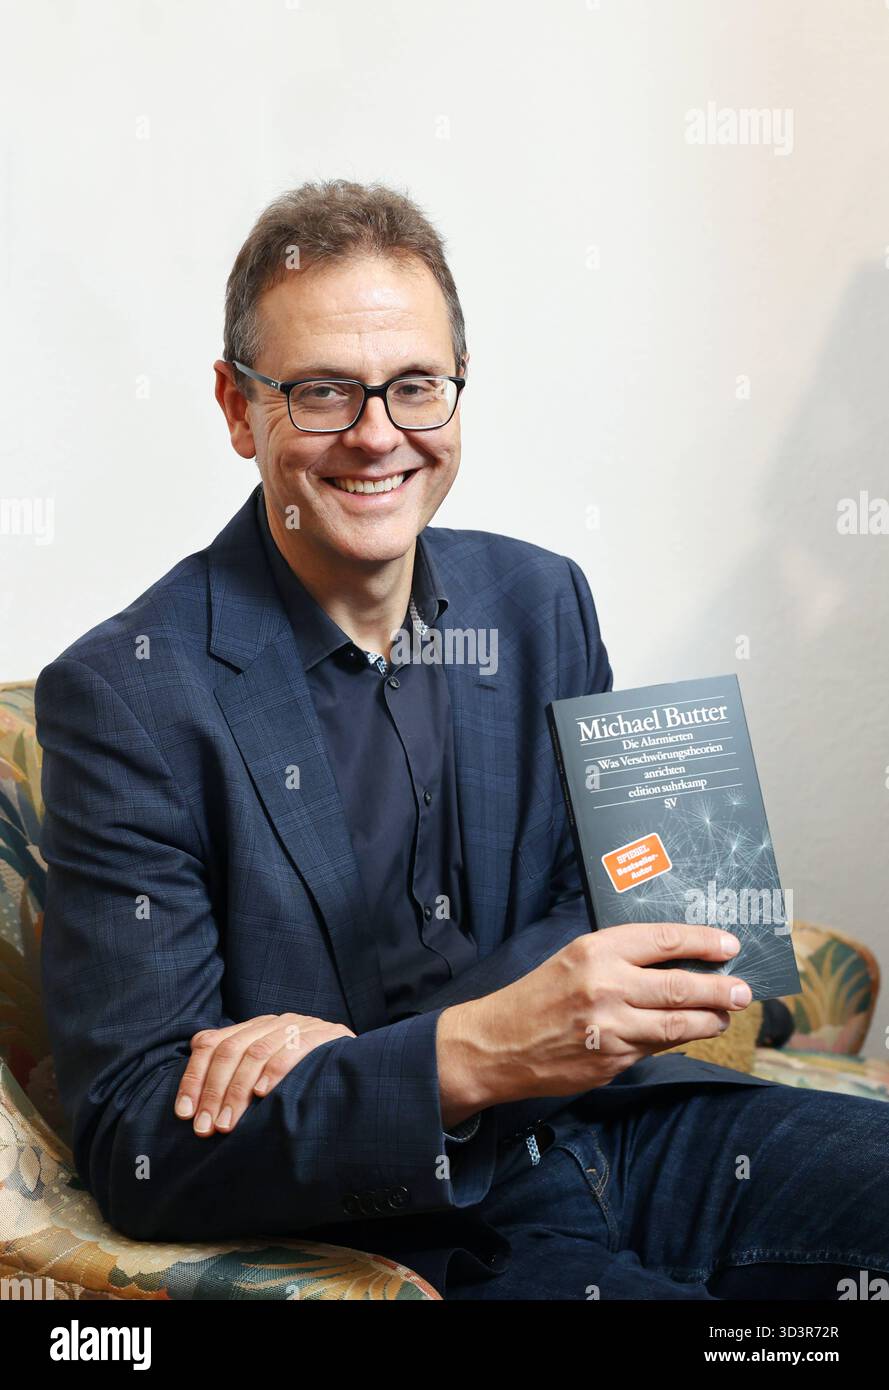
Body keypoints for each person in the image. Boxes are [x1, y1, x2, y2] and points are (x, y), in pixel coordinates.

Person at [36, 179, 889, 1300]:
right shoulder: (126, 694)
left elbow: (659, 922)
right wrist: (459, 1056)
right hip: (417, 1228)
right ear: (238, 407)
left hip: (633, 1134)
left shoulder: (542, 599)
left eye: (414, 387)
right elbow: (140, 1138)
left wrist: (349, 1048)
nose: (377, 435)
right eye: (324, 392)